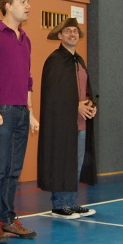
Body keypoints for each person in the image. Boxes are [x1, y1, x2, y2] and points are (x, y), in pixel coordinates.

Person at [0, 0, 39, 244]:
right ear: (8, 5)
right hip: (2, 110)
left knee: (13, 170)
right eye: (23, 1)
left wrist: (31, 112)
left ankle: (7, 217)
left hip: (21, 112)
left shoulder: (25, 39)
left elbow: (27, 79)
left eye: (28, 1)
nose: (28, 6)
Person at [38, 18, 98, 219]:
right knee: (62, 161)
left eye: (75, 31)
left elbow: (84, 90)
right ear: (60, 35)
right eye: (68, 31)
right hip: (62, 123)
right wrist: (75, 105)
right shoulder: (55, 60)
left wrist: (90, 104)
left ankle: (71, 202)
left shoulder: (79, 61)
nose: (72, 34)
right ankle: (60, 205)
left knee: (76, 163)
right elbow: (53, 94)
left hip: (80, 122)